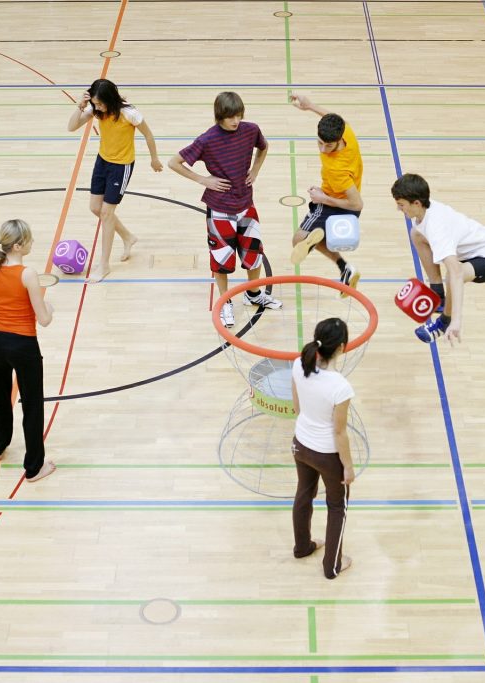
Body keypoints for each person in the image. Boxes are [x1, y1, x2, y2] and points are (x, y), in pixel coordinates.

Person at [168, 91, 281, 328]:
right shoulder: (207, 140)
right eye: (231, 116)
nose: (236, 121)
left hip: (246, 205)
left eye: (239, 115)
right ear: (220, 116)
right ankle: (225, 302)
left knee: (254, 254)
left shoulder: (250, 130)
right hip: (219, 210)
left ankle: (253, 294)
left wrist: (256, 170)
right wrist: (202, 180)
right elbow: (174, 162)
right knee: (221, 261)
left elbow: (264, 147)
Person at [0, 219, 56, 483]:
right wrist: (51, 309)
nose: (33, 243)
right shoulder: (27, 274)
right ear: (19, 246)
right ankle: (34, 468)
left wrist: (2, 304)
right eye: (30, 240)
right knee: (32, 405)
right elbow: (43, 319)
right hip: (23, 344)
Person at [391, 173, 485, 344]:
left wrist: (456, 320)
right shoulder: (425, 211)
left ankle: (443, 323)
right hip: (473, 252)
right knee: (416, 234)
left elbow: (457, 274)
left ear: (416, 203)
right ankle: (438, 295)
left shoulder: (437, 229)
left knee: (453, 274)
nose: (399, 209)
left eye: (401, 205)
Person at [68, 78, 162, 281]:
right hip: (103, 161)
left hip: (121, 166)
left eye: (100, 103)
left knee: (106, 213)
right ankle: (128, 237)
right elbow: (71, 127)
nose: (98, 107)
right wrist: (81, 107)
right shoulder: (96, 110)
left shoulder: (129, 113)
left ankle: (104, 265)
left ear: (111, 99)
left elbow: (148, 135)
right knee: (95, 208)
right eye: (95, 103)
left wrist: (154, 159)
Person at [290, 318, 356, 579]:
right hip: (327, 456)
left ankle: (303, 547)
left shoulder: (299, 364)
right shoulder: (340, 386)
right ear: (342, 347)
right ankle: (332, 566)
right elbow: (339, 433)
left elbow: (296, 408)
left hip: (300, 444)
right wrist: (348, 467)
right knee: (337, 507)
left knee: (304, 494)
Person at [289, 93, 363, 296]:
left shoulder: (337, 169)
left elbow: (357, 205)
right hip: (339, 201)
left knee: (298, 241)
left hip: (337, 203)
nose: (323, 149)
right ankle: (345, 269)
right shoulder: (346, 130)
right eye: (319, 142)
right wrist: (310, 106)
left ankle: (319, 240)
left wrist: (323, 198)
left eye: (328, 145)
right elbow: (333, 117)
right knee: (309, 240)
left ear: (338, 140)